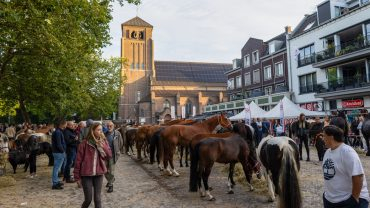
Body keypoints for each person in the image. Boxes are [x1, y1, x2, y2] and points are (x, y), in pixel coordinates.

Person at [322, 125, 369, 208]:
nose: (323, 139)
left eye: (324, 136)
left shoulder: (347, 152)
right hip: (331, 201)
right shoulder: (328, 152)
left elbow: (358, 176)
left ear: (331, 137)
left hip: (348, 201)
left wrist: (354, 198)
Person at [74, 123, 112, 208]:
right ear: (92, 131)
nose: (100, 132)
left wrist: (104, 146)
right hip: (86, 174)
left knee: (97, 199)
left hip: (99, 173)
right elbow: (78, 161)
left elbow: (109, 155)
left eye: (101, 130)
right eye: (98, 130)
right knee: (88, 199)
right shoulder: (84, 143)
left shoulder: (104, 141)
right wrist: (77, 177)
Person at [104, 121, 122, 193]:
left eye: (110, 126)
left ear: (113, 126)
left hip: (113, 155)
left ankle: (111, 185)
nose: (109, 127)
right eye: (108, 126)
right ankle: (111, 179)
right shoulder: (104, 134)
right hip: (105, 155)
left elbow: (121, 143)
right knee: (105, 170)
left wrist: (117, 151)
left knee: (111, 171)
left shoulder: (117, 134)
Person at [51, 119, 67, 190]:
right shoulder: (58, 132)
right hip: (58, 152)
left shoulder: (58, 131)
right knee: (56, 168)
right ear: (62, 124)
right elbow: (59, 144)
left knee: (57, 168)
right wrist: (63, 151)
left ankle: (56, 181)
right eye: (65, 124)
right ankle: (55, 183)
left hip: (57, 152)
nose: (66, 125)